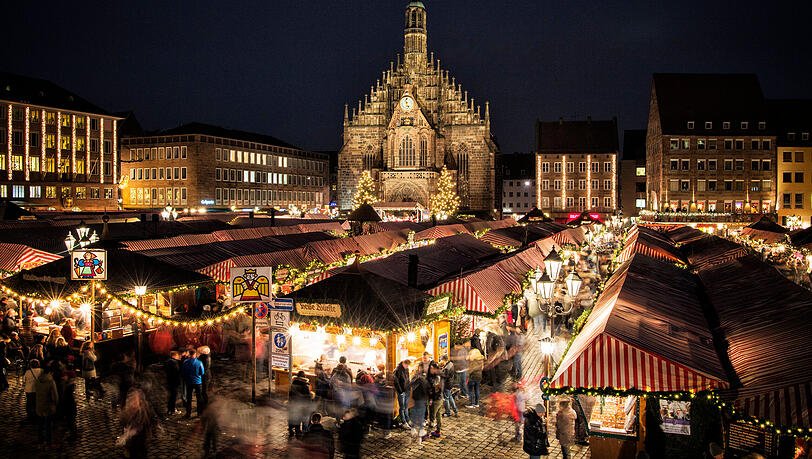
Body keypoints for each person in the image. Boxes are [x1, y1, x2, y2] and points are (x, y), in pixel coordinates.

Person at [118, 388, 156, 459]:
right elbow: (123, 424)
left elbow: (143, 428)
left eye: (135, 400)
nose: (132, 403)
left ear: (140, 401)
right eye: (131, 399)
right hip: (131, 447)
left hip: (140, 446)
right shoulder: (127, 413)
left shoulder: (143, 414)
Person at [35, 365, 59, 447]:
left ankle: (40, 439)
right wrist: (56, 403)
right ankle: (48, 441)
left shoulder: (38, 380)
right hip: (48, 406)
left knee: (40, 424)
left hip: (39, 405)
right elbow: (54, 396)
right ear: (50, 373)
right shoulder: (51, 381)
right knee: (48, 424)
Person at [288, 370, 312, 440]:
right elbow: (308, 398)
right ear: (304, 376)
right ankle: (304, 435)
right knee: (305, 421)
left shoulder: (293, 384)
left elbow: (290, 396)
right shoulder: (305, 385)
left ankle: (297, 434)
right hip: (303, 407)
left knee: (297, 421)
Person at [181, 349, 205, 417]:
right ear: (195, 354)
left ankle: (188, 413)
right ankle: (199, 413)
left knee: (189, 398)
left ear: (189, 354)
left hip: (189, 382)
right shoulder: (199, 362)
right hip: (198, 382)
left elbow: (183, 372)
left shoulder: (185, 362)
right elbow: (202, 372)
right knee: (199, 398)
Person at [409, 371, 430, 443]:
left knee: (414, 414)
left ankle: (413, 429)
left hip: (415, 399)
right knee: (421, 415)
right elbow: (427, 392)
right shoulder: (425, 382)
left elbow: (410, 387)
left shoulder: (415, 381)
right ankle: (421, 430)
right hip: (422, 400)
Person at [426, 360, 444, 438]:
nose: (431, 369)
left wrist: (430, 395)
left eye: (432, 368)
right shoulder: (439, 375)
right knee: (438, 415)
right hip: (439, 398)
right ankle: (438, 431)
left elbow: (435, 389)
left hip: (435, 399)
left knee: (432, 417)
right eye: (430, 368)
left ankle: (427, 434)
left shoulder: (436, 377)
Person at [23, 359, 42, 424]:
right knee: (36, 402)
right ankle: (37, 414)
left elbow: (24, 380)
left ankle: (30, 415)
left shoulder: (28, 372)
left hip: (29, 389)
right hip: (38, 389)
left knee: (29, 402)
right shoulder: (41, 371)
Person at [393, 359, 411, 428]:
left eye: (408, 365)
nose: (407, 367)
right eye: (406, 365)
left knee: (406, 407)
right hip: (401, 391)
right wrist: (400, 391)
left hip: (406, 390)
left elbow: (408, 379)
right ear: (403, 363)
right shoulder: (397, 370)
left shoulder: (406, 369)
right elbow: (396, 381)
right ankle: (404, 422)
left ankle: (408, 420)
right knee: (402, 407)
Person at [164, 350, 182, 416]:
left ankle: (169, 409)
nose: (178, 357)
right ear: (174, 356)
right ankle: (173, 410)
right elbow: (177, 372)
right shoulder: (174, 362)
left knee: (170, 395)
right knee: (173, 396)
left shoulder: (166, 362)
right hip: (174, 381)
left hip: (169, 380)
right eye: (177, 355)